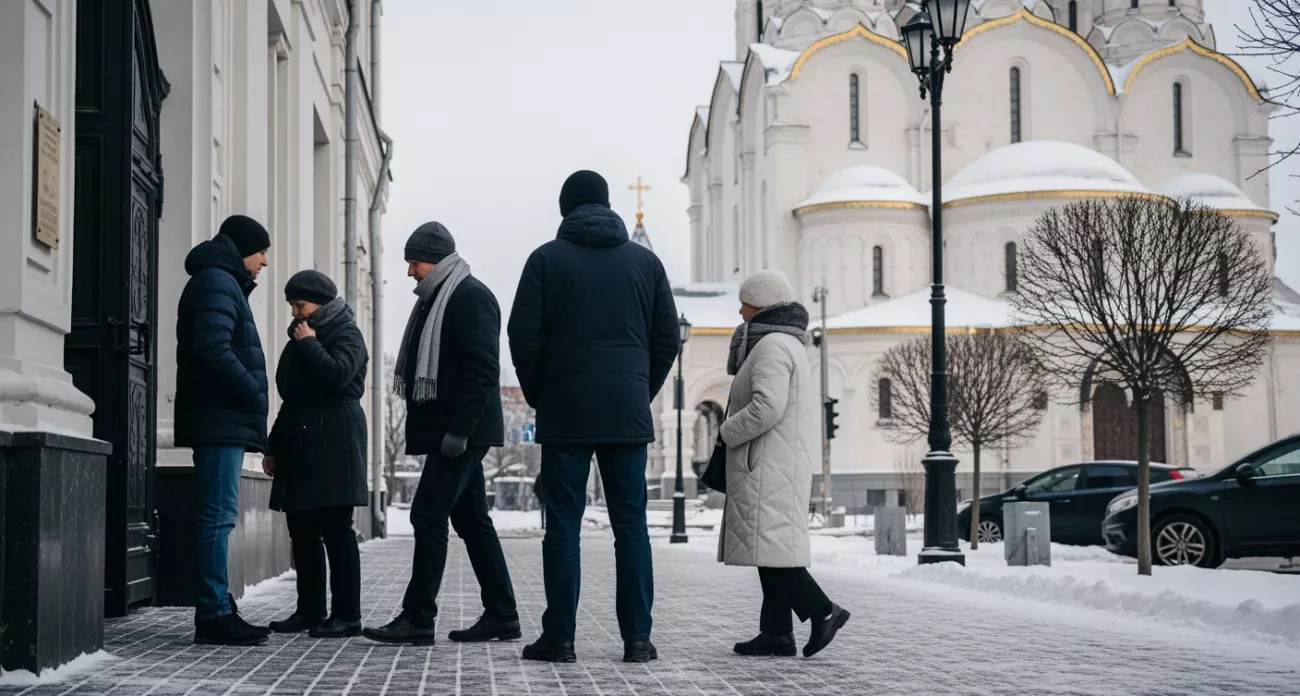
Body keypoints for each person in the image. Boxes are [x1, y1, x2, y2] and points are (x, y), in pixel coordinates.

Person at [508, 170, 679, 663]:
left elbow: (523, 336)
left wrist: (543, 393)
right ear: (607, 206)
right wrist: (637, 390)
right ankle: (638, 640)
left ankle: (560, 638)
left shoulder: (545, 260)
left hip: (566, 411)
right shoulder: (645, 264)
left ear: (566, 209)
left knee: (563, 525)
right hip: (626, 411)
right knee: (632, 527)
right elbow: (667, 338)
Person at [363, 223, 519, 645]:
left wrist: (459, 431)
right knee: (471, 520)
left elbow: (483, 370)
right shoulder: (440, 299)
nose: (411, 271)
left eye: (414, 262)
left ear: (434, 258)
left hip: (461, 433)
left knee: (426, 515)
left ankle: (418, 617)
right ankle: (502, 614)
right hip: (452, 431)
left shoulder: (470, 297)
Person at [719, 269, 849, 658]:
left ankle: (823, 611)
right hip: (774, 462)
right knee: (768, 547)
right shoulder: (783, 343)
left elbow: (767, 407)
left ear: (760, 304)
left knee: (773, 550)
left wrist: (727, 431)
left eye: (744, 302)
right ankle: (776, 632)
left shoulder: (772, 346)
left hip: (767, 464)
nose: (740, 311)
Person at [174, 215, 272, 646]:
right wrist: (251, 389)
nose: (265, 262)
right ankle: (213, 613)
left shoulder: (222, 280)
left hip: (220, 418)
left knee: (218, 516)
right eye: (262, 251)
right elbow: (212, 347)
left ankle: (219, 604)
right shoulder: (217, 280)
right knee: (217, 518)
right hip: (219, 419)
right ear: (243, 248)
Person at [263, 270, 368, 638]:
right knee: (302, 531)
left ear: (320, 303)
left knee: (337, 530)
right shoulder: (300, 335)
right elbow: (292, 396)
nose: (294, 312)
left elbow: (338, 375)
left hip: (336, 441)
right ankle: (309, 610)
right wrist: (274, 445)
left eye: (300, 305)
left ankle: (347, 615)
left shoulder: (347, 333)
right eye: (292, 305)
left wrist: (309, 344)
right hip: (301, 440)